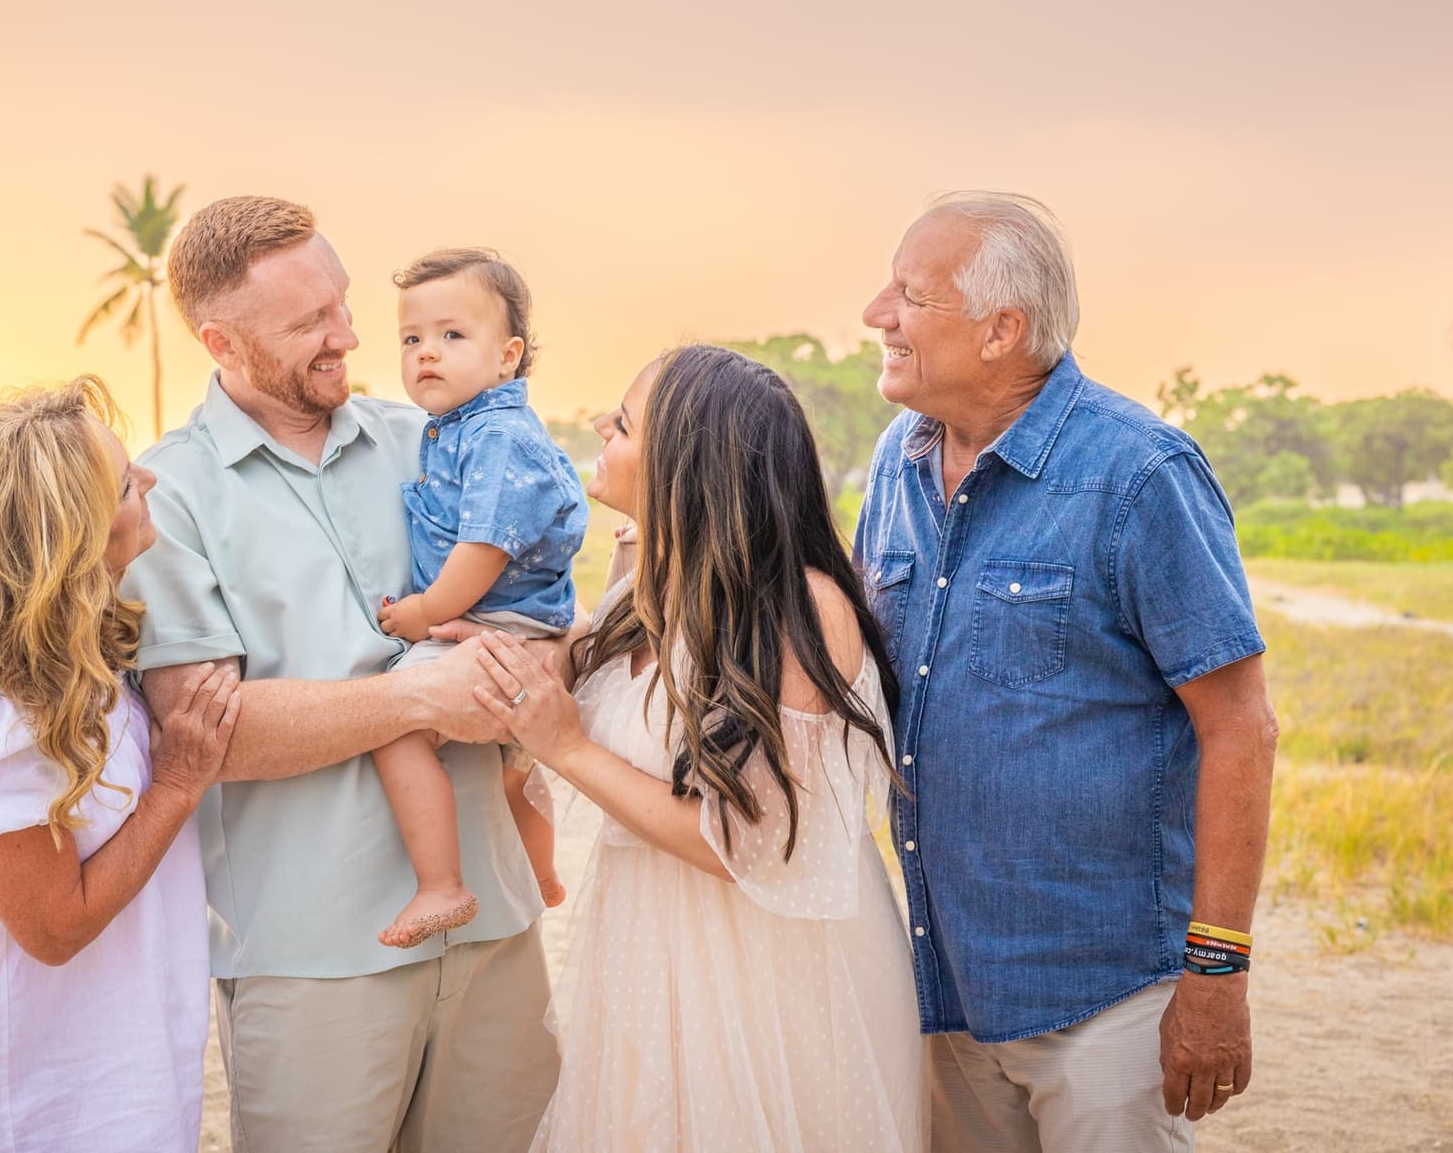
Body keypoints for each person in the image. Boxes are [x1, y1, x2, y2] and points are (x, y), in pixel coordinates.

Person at [123, 197, 559, 1152]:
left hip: (496, 926)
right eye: (310, 322)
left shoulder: (435, 439)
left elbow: (538, 617)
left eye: (344, 303)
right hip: (312, 961)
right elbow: (204, 736)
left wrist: (538, 661)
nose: (349, 336)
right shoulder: (168, 495)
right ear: (222, 343)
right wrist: (416, 696)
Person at [854, 192, 1279, 1150]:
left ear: (1001, 330)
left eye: (910, 294)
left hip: (1104, 993)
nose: (877, 313)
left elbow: (1240, 726)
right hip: (942, 983)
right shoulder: (895, 462)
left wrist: (1217, 975)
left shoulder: (1140, 473)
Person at [472, 345, 928, 1152]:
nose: (600, 428)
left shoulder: (799, 610)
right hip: (648, 956)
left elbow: (751, 845)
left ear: (687, 466)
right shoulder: (648, 587)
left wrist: (566, 749)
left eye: (623, 424)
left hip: (762, 984)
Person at [0, 376, 242, 1152]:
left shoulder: (51, 662)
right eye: (126, 484)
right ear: (73, 539)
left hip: (88, 1059)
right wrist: (175, 786)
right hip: (23, 1097)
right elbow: (53, 927)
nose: (150, 481)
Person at [372, 247, 587, 946]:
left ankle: (441, 885)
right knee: (511, 768)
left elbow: (483, 549)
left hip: (496, 617)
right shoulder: (467, 427)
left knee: (396, 727)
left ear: (507, 356)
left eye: (452, 335)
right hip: (516, 620)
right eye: (411, 339)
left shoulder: (497, 435)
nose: (427, 353)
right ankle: (543, 875)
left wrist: (423, 612)